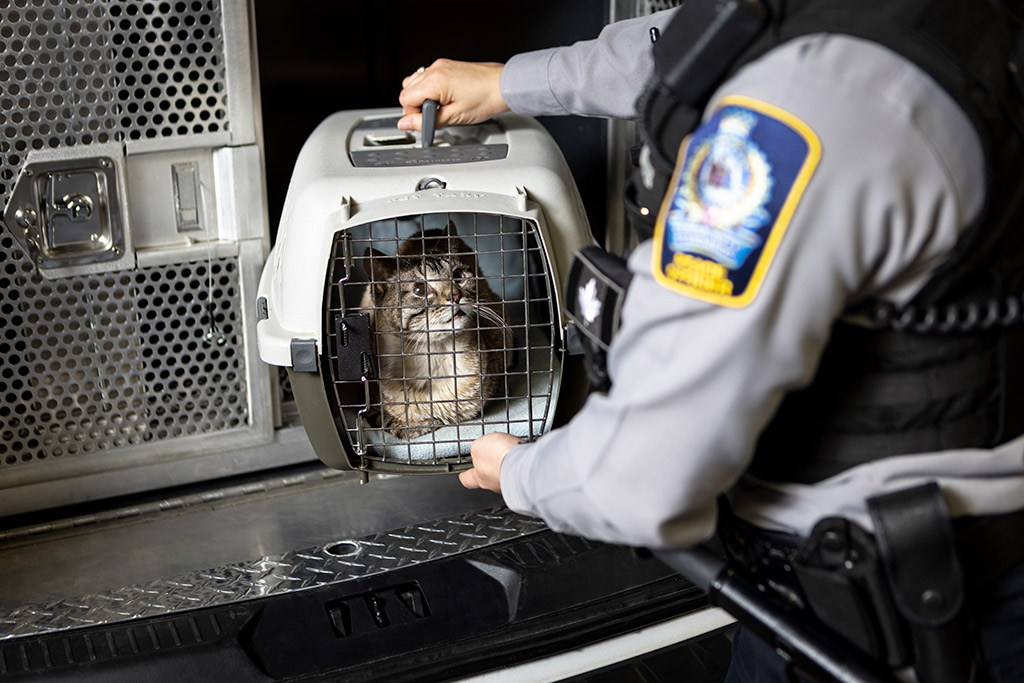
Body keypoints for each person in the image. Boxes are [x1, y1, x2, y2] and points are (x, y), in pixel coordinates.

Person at [397, 3, 1024, 681]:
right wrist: (510, 83)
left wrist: (521, 471)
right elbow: (691, 36)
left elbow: (642, 476)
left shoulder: (792, 115)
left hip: (889, 619)